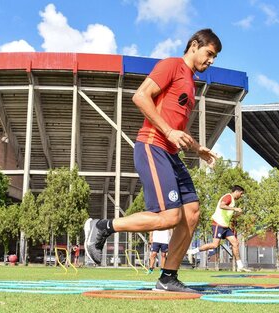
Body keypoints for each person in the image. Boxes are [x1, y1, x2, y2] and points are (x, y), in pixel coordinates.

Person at [84, 28, 221, 292]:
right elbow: (140, 96)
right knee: (169, 216)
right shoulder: (171, 66)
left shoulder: (191, 83)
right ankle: (102, 226)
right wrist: (168, 131)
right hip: (152, 145)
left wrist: (198, 149)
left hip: (170, 152)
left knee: (191, 214)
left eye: (215, 57)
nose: (211, 61)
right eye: (209, 53)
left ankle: (167, 278)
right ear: (194, 45)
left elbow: (177, 126)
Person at [187, 185, 251, 272]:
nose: (241, 195)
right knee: (214, 245)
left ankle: (240, 266)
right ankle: (192, 251)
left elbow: (229, 215)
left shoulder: (232, 201)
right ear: (236, 192)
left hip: (225, 226)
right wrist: (235, 209)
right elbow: (221, 205)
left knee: (235, 243)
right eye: (241, 193)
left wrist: (237, 215)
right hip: (218, 224)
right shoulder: (228, 197)